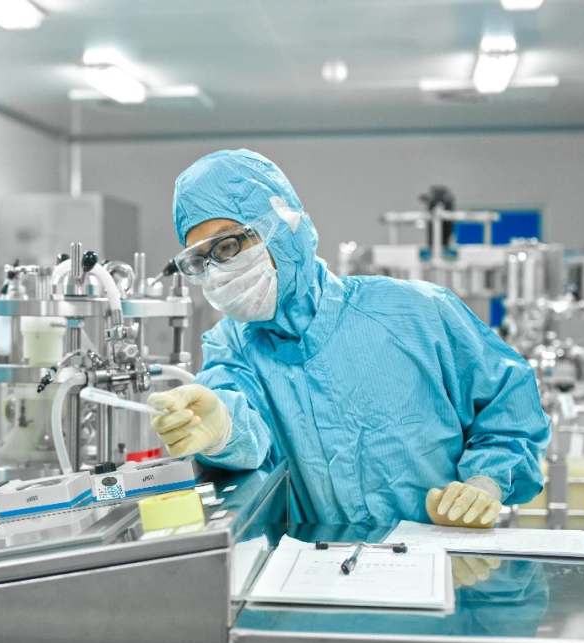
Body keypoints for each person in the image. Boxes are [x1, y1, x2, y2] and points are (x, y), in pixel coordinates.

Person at [148, 149, 550, 529]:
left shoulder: (417, 313)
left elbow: (508, 405)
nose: (219, 271)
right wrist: (222, 429)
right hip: (324, 566)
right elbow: (245, 429)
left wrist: (485, 481)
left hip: (443, 559)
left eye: (229, 244)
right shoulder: (232, 346)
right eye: (201, 259)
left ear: (283, 227)